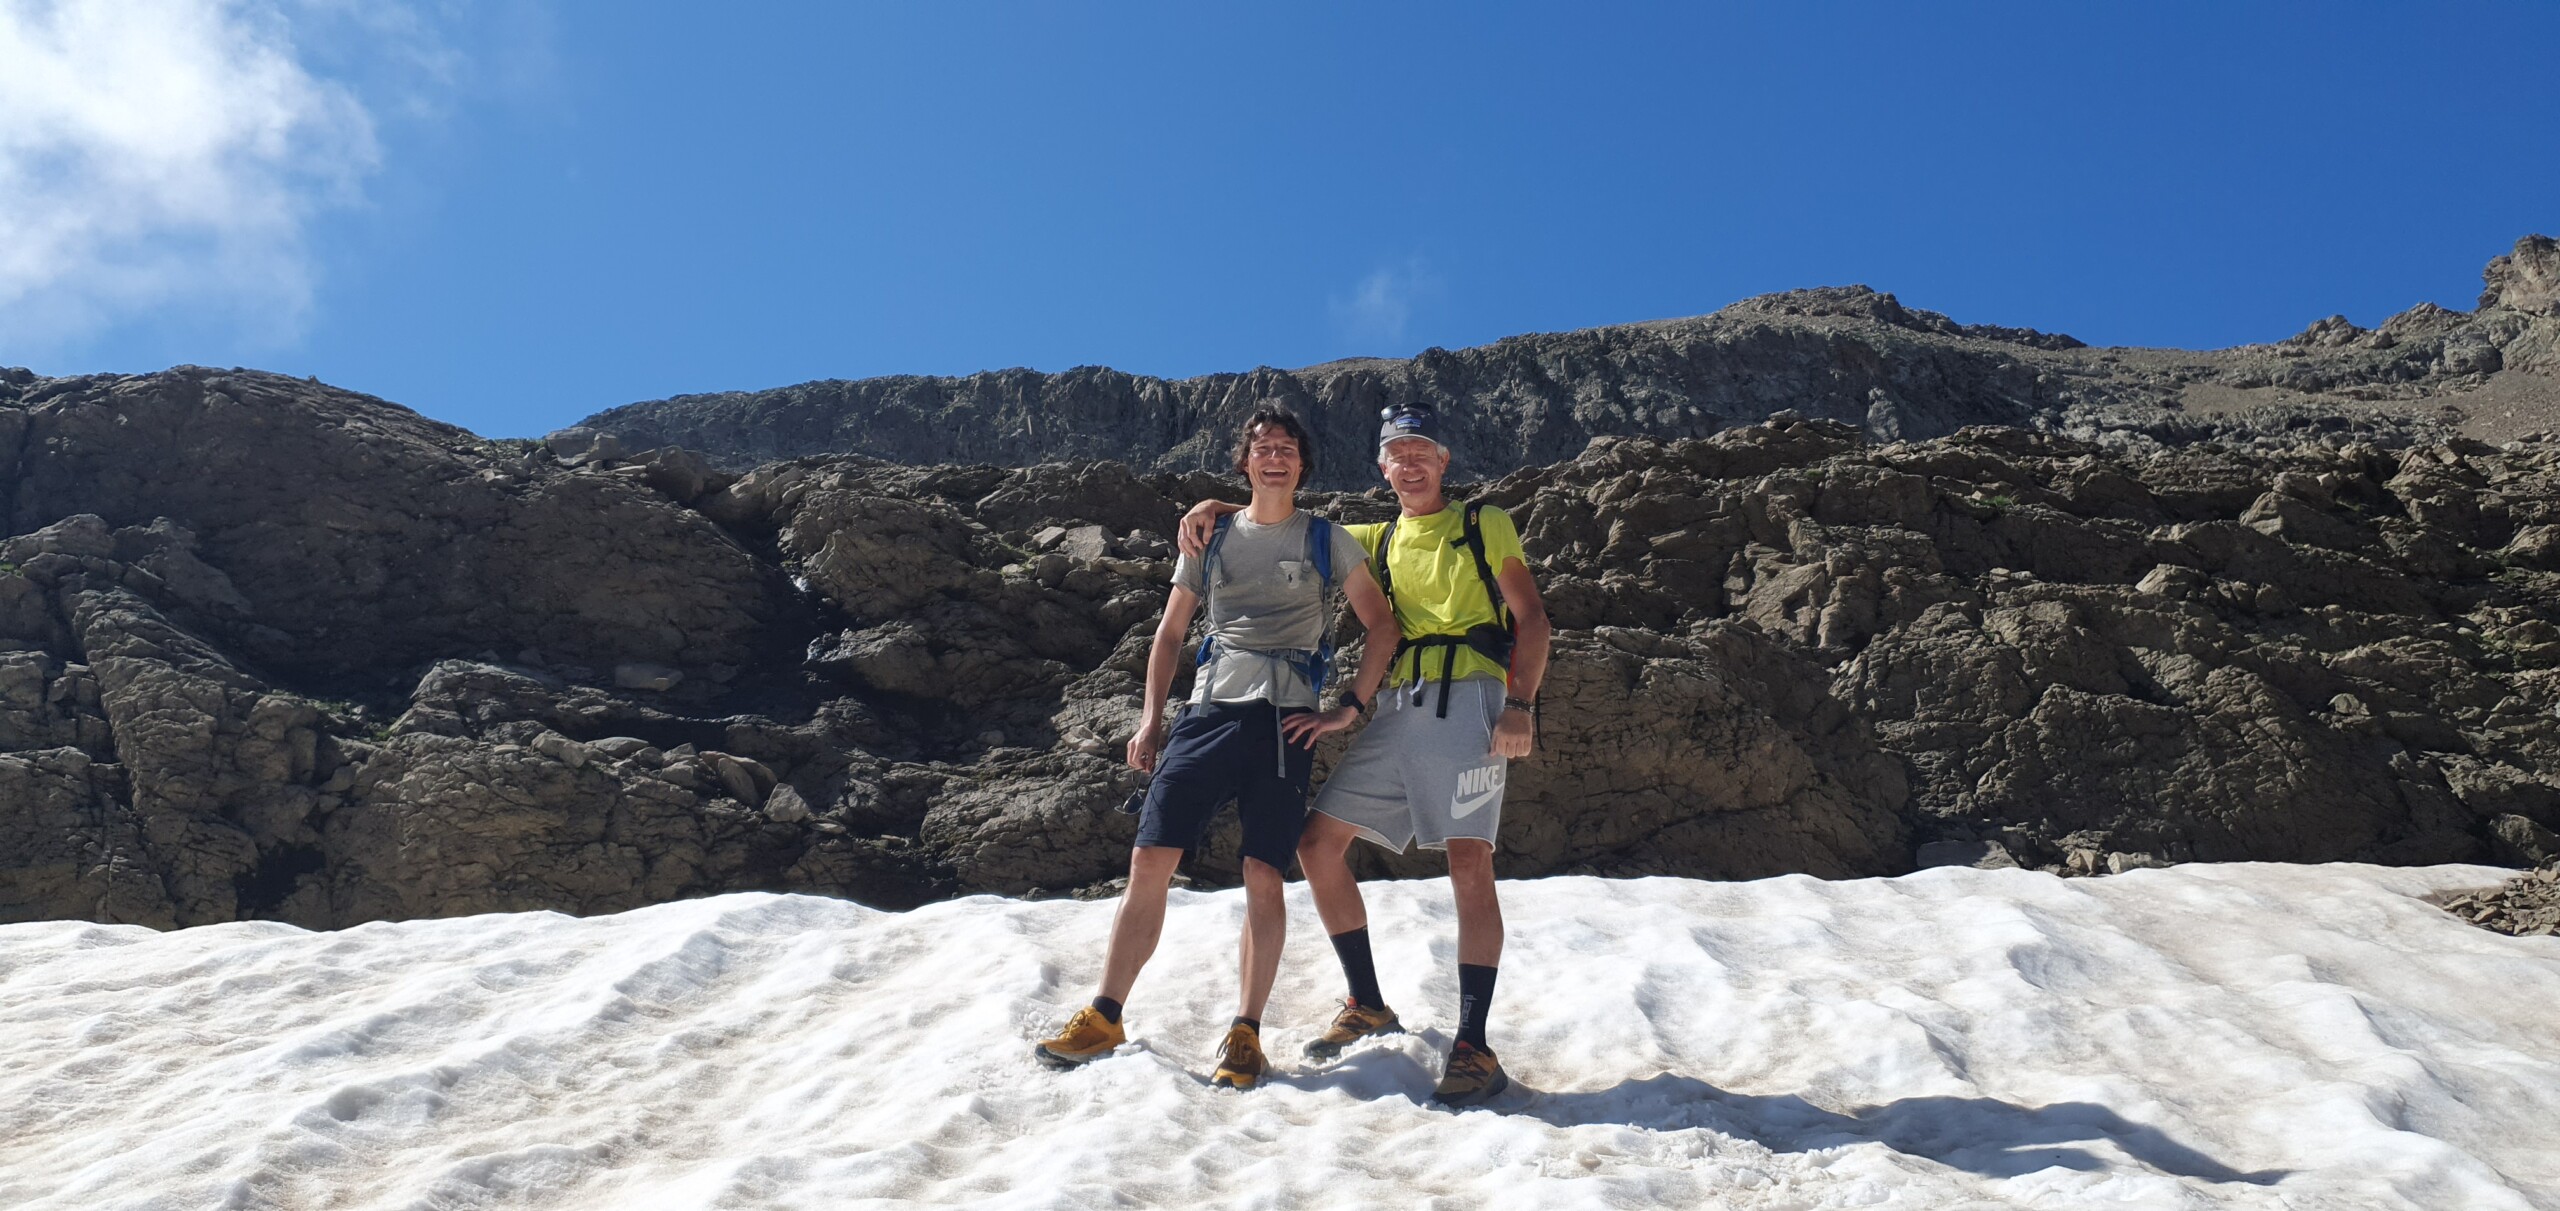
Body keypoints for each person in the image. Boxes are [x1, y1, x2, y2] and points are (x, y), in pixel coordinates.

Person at [1178, 401, 1551, 1105]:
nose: (1410, 463)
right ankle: (1368, 1001)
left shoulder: (1482, 522)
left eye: (1422, 451)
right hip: (1400, 705)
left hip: (1471, 699)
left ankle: (1473, 1045)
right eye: (1396, 453)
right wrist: (1212, 503)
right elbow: (1279, 513)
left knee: (1469, 861)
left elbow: (1532, 617)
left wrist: (1520, 703)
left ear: (1443, 462)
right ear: (1381, 467)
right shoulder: (1372, 537)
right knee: (1317, 844)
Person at [1034, 404, 1400, 1091]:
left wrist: (1347, 707)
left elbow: (1381, 625)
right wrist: (1150, 720)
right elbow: (1170, 633)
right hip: (1207, 714)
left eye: (1287, 447)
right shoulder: (1211, 535)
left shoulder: (1328, 539)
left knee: (1264, 873)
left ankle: (1246, 1031)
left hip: (1286, 723)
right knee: (1149, 856)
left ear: (1303, 462)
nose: (1274, 455)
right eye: (1262, 446)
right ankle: (1107, 1012)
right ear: (1244, 460)